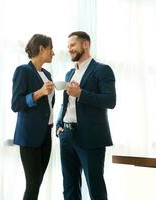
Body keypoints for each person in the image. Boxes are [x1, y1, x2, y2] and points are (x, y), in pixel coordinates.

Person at [56, 31, 116, 200]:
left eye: (73, 45)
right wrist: (60, 124)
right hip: (66, 136)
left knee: (95, 189)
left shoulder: (102, 70)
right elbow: (66, 103)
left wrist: (81, 93)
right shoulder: (69, 74)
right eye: (68, 47)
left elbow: (110, 101)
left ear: (85, 44)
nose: (70, 49)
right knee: (69, 189)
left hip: (91, 137)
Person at [11, 34, 55, 200]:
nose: (53, 53)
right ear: (42, 49)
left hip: (46, 134)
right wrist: (39, 93)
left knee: (37, 183)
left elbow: (48, 106)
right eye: (51, 49)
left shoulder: (47, 75)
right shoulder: (23, 71)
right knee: (32, 184)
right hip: (29, 137)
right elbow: (16, 104)